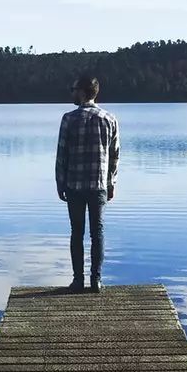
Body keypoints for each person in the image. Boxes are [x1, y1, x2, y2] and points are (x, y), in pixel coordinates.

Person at [55, 74, 120, 293]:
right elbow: (114, 156)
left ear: (83, 92)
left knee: (77, 232)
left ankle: (77, 280)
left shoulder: (69, 119)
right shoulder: (109, 119)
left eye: (73, 89)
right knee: (97, 233)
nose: (71, 93)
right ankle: (96, 281)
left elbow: (61, 155)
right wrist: (111, 182)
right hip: (98, 185)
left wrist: (59, 182)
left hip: (74, 185)